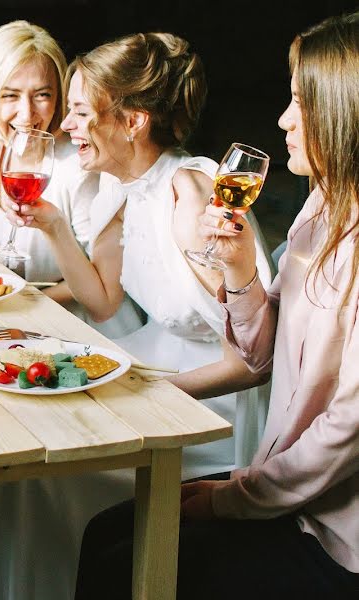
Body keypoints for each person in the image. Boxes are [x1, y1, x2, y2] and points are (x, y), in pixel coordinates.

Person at [0, 33, 272, 600]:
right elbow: (102, 301)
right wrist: (52, 223)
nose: (65, 127)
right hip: (145, 367)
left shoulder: (193, 201)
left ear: (133, 121)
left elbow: (252, 360)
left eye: (76, 110)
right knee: (7, 456)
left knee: (35, 475)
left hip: (212, 408)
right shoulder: (123, 191)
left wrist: (149, 392)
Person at [76, 11, 359, 599]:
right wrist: (237, 270)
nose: (283, 119)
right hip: (283, 489)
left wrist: (236, 496)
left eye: (300, 103)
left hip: (336, 534)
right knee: (103, 534)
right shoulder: (319, 211)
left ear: (342, 110)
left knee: (119, 564)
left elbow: (346, 430)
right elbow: (261, 355)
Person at [0, 20, 142, 338]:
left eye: (42, 95)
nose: (26, 114)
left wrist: (25, 303)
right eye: (10, 95)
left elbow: (100, 286)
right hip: (7, 316)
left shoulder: (80, 166)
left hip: (75, 327)